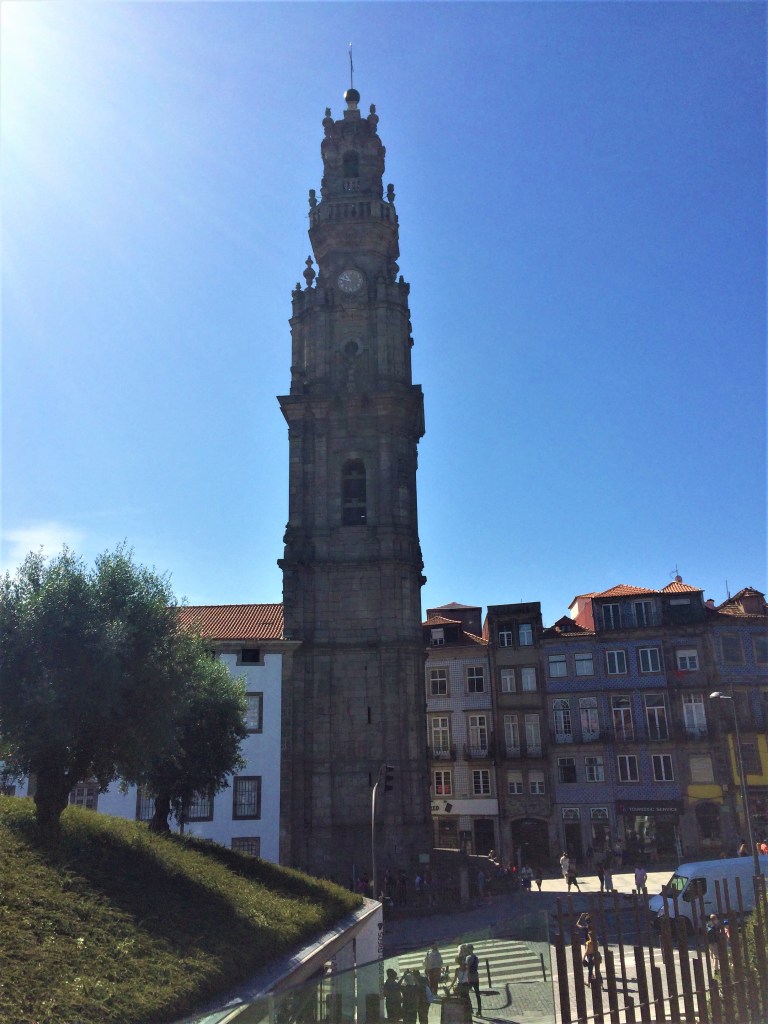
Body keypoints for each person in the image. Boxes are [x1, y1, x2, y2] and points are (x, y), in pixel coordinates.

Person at [465, 944, 481, 1016]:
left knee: (466, 994)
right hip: (476, 977)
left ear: (469, 949)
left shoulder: (468, 958)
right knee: (477, 994)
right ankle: (479, 1011)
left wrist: (468, 979)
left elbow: (468, 970)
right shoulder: (476, 958)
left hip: (470, 978)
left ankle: (470, 1010)